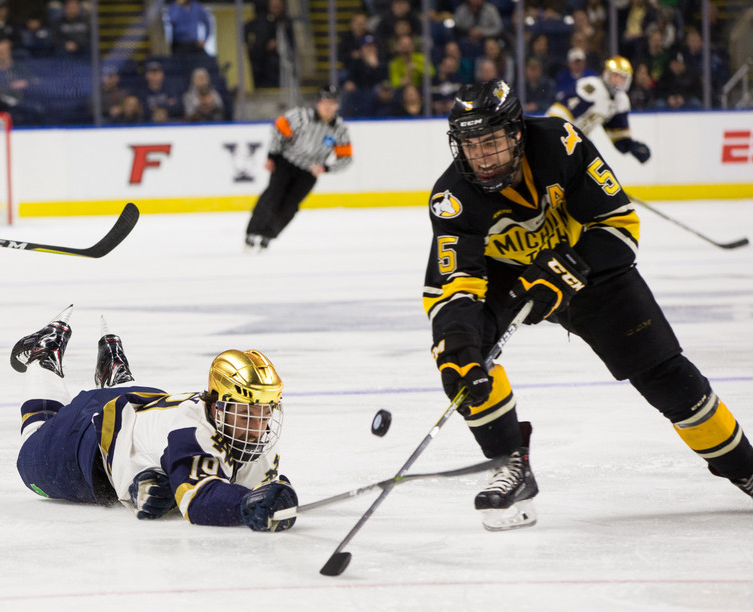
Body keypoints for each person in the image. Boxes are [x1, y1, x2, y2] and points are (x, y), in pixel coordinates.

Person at [423, 79, 753, 531]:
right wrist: (459, 345)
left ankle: (745, 468)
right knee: (459, 354)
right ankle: (509, 464)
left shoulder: (560, 143)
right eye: (471, 145)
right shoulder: (452, 198)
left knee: (667, 378)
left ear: (517, 133)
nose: (482, 156)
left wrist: (568, 268)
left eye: (493, 141)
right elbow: (454, 288)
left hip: (590, 270)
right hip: (511, 281)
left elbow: (619, 230)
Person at [10, 306, 299, 532]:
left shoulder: (250, 441)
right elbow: (199, 502)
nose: (257, 425)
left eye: (265, 412)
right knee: (31, 451)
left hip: (143, 403)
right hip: (86, 440)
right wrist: (246, 505)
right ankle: (43, 354)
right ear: (219, 409)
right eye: (246, 412)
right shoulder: (192, 431)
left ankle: (116, 373)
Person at [244, 85, 352, 252]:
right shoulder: (300, 116)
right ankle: (252, 231)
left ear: (337, 105)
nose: (327, 107)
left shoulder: (339, 129)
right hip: (287, 163)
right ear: (318, 103)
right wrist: (272, 156)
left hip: (309, 172)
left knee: (290, 206)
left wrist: (326, 168)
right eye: (324, 102)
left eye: (331, 103)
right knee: (272, 195)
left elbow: (346, 158)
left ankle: (269, 235)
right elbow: (277, 130)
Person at [547, 56, 652, 164]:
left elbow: (616, 132)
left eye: (622, 77)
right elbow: (560, 112)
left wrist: (630, 146)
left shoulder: (621, 100)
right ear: (606, 73)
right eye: (615, 75)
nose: (617, 81)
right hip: (556, 137)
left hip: (574, 141)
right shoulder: (592, 87)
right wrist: (555, 136)